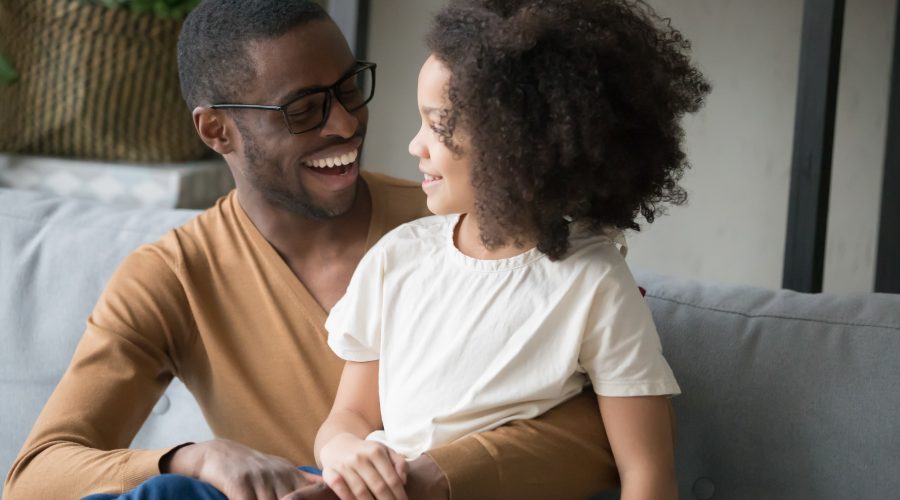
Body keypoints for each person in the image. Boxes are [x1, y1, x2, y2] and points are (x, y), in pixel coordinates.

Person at [3, 1, 628, 499]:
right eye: (304, 108)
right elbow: (35, 478)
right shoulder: (172, 277)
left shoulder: (471, 221)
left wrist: (433, 477)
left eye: (350, 87)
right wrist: (192, 456)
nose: (347, 124)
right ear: (217, 129)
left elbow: (610, 432)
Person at [314, 1, 711, 499]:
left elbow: (647, 475)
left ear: (518, 142)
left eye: (437, 125)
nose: (416, 145)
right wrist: (342, 451)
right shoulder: (398, 258)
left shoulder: (592, 280)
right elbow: (347, 418)